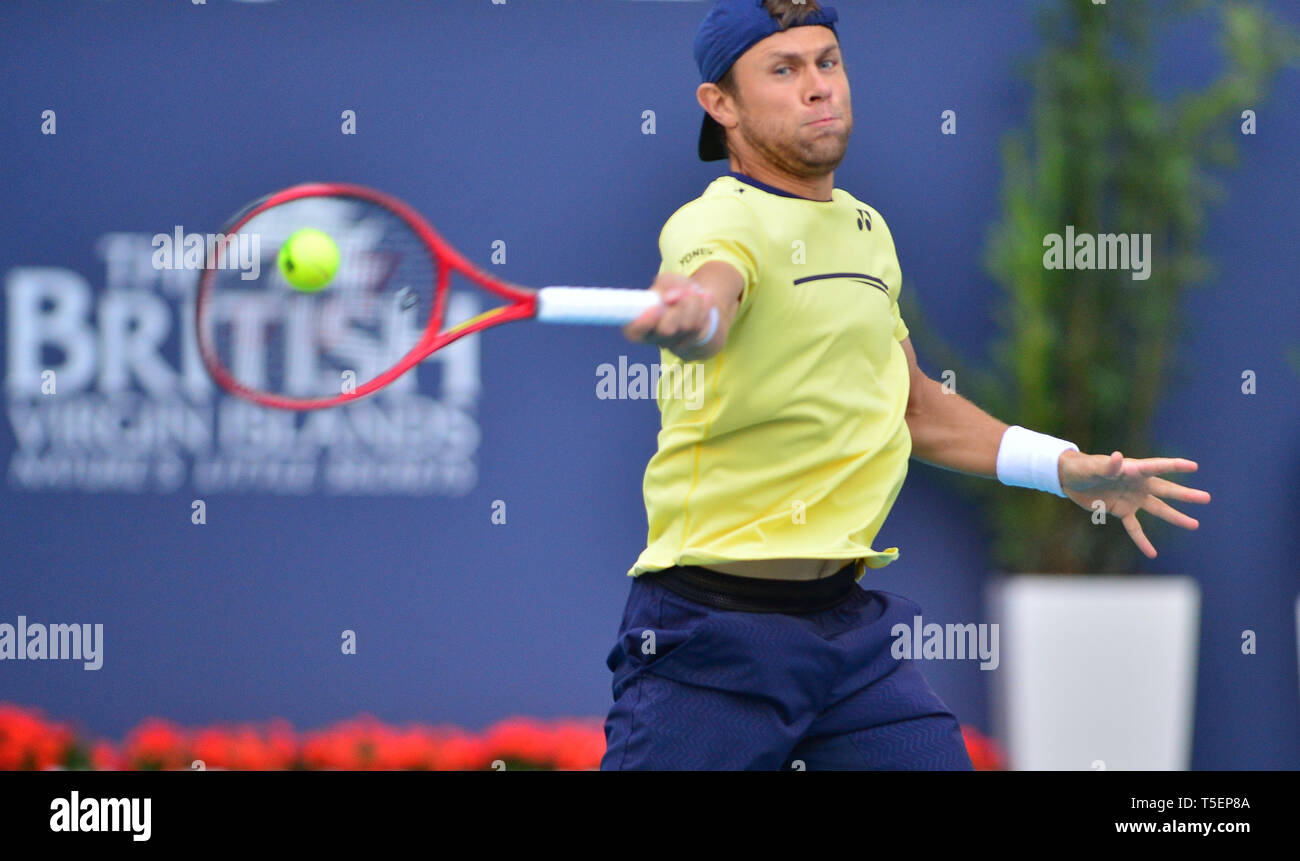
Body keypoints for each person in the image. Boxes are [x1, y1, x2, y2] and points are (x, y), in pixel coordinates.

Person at [599, 0, 1211, 770]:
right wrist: (695, 317)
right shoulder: (717, 221)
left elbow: (915, 403)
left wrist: (1063, 468)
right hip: (713, 638)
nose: (818, 86)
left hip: (848, 635)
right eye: (783, 70)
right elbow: (712, 287)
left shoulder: (865, 230)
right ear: (719, 105)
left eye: (828, 61)